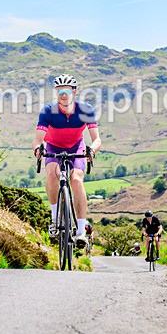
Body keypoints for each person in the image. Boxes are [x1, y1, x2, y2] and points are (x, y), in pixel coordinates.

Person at [32, 74, 101, 249]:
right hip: (53, 147)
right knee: (53, 176)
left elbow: (97, 139)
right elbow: (38, 140)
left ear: (74, 92)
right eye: (60, 91)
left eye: (67, 91)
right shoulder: (48, 111)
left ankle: (80, 232)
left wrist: (91, 149)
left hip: (76, 147)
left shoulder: (85, 110)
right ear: (56, 93)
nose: (63, 95)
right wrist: (38, 149)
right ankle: (55, 219)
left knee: (76, 180)